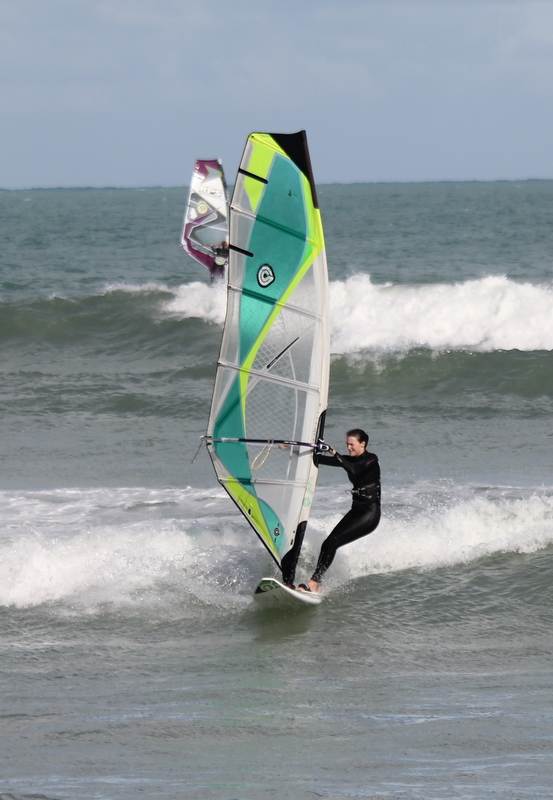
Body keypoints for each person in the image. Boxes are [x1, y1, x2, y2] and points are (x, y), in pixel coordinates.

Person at [290, 428, 381, 593]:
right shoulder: (348, 460)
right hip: (356, 511)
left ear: (363, 444)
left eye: (352, 444)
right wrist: (293, 449)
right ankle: (316, 583)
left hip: (369, 514)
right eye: (347, 444)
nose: (349, 448)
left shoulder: (371, 460)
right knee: (328, 543)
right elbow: (318, 459)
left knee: (333, 542)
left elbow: (354, 469)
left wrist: (333, 452)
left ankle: (313, 583)